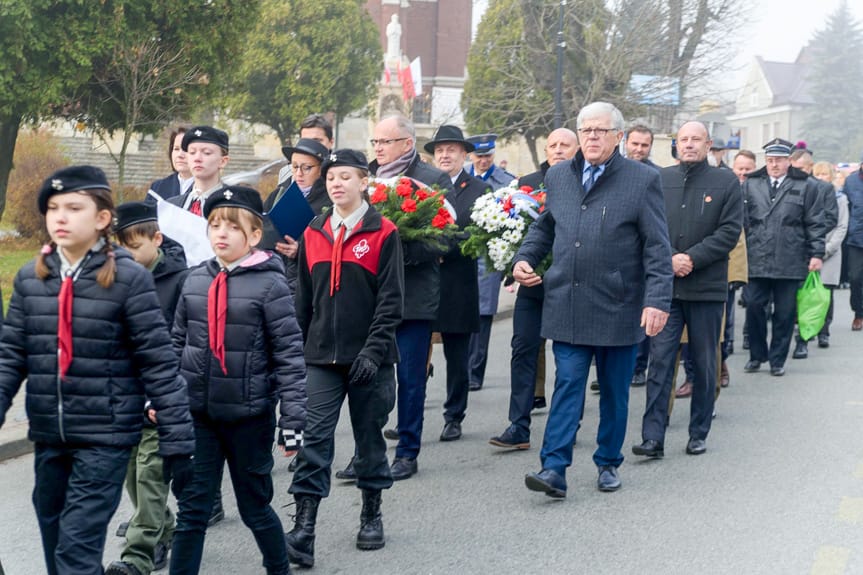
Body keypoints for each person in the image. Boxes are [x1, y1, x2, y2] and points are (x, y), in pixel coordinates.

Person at [0, 166, 195, 575]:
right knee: (56, 546)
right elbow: (10, 357)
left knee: (76, 551)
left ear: (102, 218)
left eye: (74, 207)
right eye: (53, 208)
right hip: (50, 436)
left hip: (105, 438)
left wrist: (178, 439)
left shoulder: (128, 279)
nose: (61, 217)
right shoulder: (31, 278)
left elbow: (158, 363)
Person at [513, 102, 673, 498]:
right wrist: (524, 258)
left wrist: (657, 301)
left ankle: (607, 462)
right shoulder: (559, 176)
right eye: (586, 131)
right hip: (567, 300)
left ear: (618, 137)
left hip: (619, 306)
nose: (593, 138)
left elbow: (657, 246)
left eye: (602, 131)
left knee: (615, 393)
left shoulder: (640, 180)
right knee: (567, 384)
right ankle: (553, 468)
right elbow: (546, 225)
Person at [169, 186, 307, 575]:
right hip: (199, 416)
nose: (221, 234)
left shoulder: (270, 284)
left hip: (250, 417)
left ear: (254, 236)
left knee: (255, 508)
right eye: (214, 225)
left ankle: (278, 568)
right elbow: (176, 344)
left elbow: (289, 354)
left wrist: (294, 419)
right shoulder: (194, 280)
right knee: (192, 511)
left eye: (232, 226)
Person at [286, 150, 403, 567]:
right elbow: (302, 302)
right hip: (319, 358)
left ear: (363, 183)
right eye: (331, 177)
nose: (337, 184)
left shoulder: (384, 233)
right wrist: (295, 354)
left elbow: (391, 304)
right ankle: (304, 527)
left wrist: (373, 352)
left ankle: (371, 514)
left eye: (346, 177)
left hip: (369, 358)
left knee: (369, 438)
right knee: (313, 440)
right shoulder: (312, 232)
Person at [335, 114, 450, 477]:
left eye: (385, 142)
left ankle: (407, 452)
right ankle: (365, 453)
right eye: (376, 143)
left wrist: (394, 249)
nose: (379, 149)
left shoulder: (432, 180)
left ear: (407, 143)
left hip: (413, 298)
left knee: (411, 379)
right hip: (368, 298)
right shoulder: (364, 178)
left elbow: (444, 240)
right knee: (367, 377)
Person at [632, 121, 742, 459]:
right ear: (675, 144)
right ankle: (653, 436)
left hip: (706, 289)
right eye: (684, 139)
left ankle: (698, 432)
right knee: (661, 361)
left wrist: (690, 258)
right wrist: (669, 259)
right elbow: (645, 227)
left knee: (705, 363)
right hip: (666, 289)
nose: (690, 145)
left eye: (696, 139)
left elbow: (729, 232)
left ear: (708, 144)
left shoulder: (726, 182)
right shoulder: (659, 179)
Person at [106, 202, 191, 575]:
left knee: (149, 474)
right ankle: (165, 526)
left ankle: (138, 555)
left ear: (156, 239)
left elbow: (186, 342)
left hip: (160, 395)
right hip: (124, 397)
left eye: (134, 247)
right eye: (118, 248)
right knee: (129, 473)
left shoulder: (181, 280)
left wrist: (167, 395)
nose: (126, 255)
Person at [489, 127, 578, 450]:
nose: (557, 150)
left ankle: (570, 419)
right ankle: (518, 424)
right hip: (532, 283)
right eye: (552, 145)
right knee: (523, 348)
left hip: (570, 284)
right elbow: (505, 226)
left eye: (564, 145)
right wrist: (515, 263)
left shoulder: (585, 181)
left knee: (570, 357)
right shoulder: (526, 182)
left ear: (577, 148)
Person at [422, 125, 487, 463]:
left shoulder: (477, 188)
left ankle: (454, 415)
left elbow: (479, 234)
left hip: (458, 282)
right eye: (440, 150)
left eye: (452, 149)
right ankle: (411, 415)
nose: (445, 155)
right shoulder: (422, 185)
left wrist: (443, 246)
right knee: (416, 353)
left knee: (457, 357)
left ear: (465, 154)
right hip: (424, 282)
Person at [743, 138, 825, 377]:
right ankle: (757, 355)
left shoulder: (807, 186)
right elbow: (742, 221)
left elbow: (815, 222)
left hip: (791, 256)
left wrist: (816, 253)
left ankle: (778, 359)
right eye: (770, 160)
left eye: (779, 160)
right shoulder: (751, 184)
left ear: (789, 161)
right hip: (757, 255)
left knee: (785, 312)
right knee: (755, 307)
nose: (774, 165)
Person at [466, 133, 515, 392]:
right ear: (470, 156)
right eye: (479, 156)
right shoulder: (462, 176)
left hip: (489, 256)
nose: (483, 160)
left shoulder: (506, 181)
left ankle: (475, 371)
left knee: (483, 315)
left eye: (488, 155)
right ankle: (460, 368)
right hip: (462, 254)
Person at [262, 137, 331, 288]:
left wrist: (300, 251)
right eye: (294, 167)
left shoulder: (330, 201)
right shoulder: (278, 194)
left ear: (321, 169)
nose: (299, 173)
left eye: (306, 168)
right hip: (273, 275)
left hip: (307, 283)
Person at [790, 148, 839, 358]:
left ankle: (804, 339)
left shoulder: (823, 188)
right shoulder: (787, 185)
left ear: (810, 168)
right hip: (786, 251)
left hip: (808, 249)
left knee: (809, 297)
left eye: (800, 168)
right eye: (794, 168)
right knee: (789, 300)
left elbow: (830, 218)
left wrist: (809, 235)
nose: (796, 172)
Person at [622, 125, 660, 388]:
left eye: (644, 145)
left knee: (640, 315)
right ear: (625, 142)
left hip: (642, 257)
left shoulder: (655, 175)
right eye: (635, 143)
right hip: (614, 256)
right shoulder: (613, 170)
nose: (638, 149)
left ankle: (638, 366)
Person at [812, 161, 848, 347]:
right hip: (810, 252)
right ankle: (808, 327)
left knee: (827, 293)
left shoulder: (840, 198)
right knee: (809, 293)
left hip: (830, 252)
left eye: (824, 174)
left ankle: (824, 331)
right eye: (817, 174)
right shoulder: (809, 195)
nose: (820, 178)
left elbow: (841, 226)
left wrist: (826, 249)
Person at [167, 126, 230, 213]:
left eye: (206, 153)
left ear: (223, 161)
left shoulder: (235, 204)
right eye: (192, 152)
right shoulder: (172, 206)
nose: (197, 158)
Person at [148, 126, 193, 202]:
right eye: (176, 149)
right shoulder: (157, 188)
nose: (180, 155)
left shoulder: (209, 190)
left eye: (186, 149)